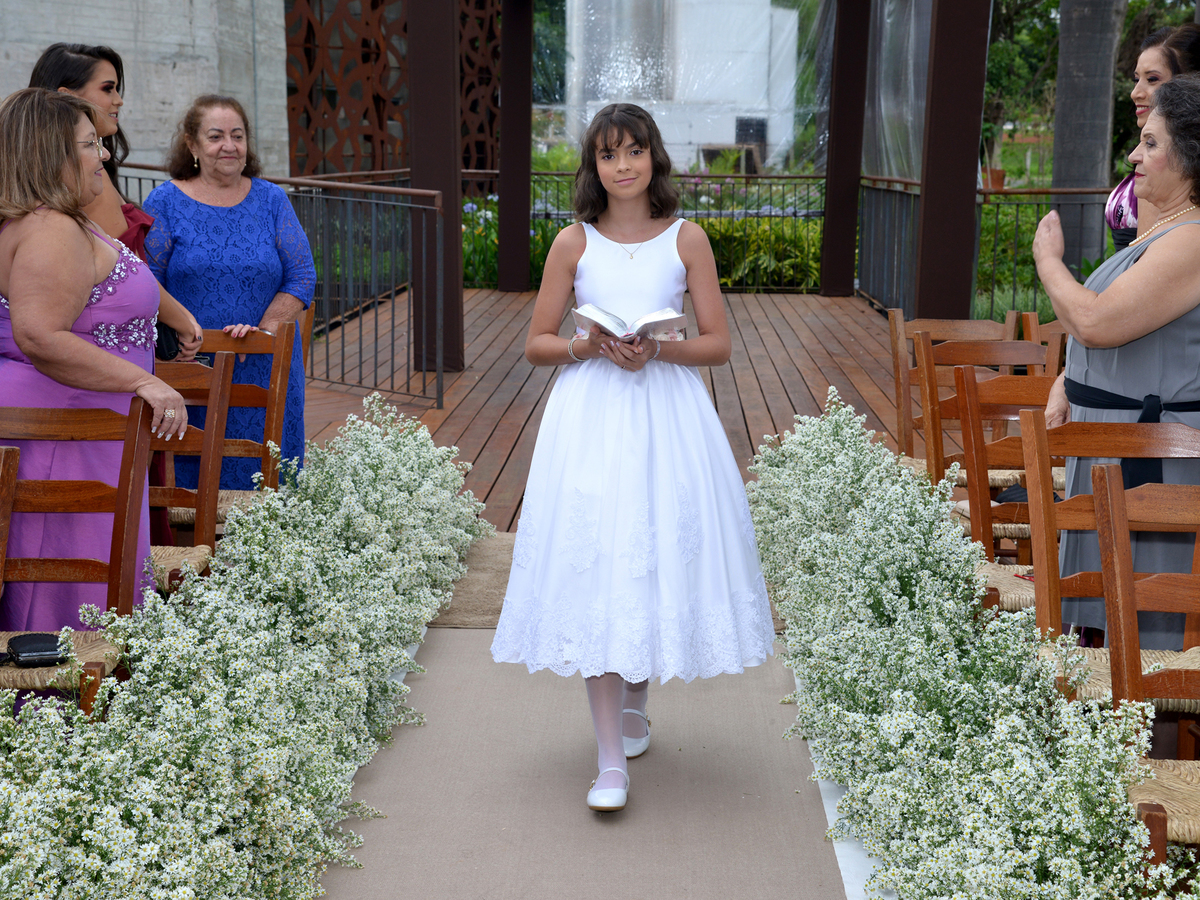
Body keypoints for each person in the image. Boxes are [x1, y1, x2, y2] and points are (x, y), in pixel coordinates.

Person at [490, 103, 776, 812]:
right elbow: (536, 343)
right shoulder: (572, 243)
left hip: (666, 413)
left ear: (654, 158)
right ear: (593, 165)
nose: (623, 166)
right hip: (591, 417)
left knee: (657, 555)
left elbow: (718, 342)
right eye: (609, 154)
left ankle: (637, 701)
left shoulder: (688, 239)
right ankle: (609, 761)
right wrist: (585, 346)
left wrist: (659, 350)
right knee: (603, 563)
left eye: (635, 151)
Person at [0, 88, 187, 631]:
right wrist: (145, 382)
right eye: (90, 144)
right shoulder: (50, 229)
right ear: (50, 152)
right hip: (61, 434)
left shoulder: (58, 220)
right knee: (60, 596)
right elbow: (39, 334)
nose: (104, 154)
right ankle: (53, 709)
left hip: (80, 429)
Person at [1033, 75, 1200, 651]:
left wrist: (1048, 262)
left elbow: (1097, 323)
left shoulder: (1195, 238)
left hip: (1154, 458)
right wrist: (1065, 381)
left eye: (1152, 143)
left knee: (1149, 623)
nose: (1134, 154)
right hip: (1113, 445)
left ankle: (1139, 733)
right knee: (1109, 617)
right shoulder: (1170, 230)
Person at [143, 95, 316, 490]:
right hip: (195, 363)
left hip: (265, 362)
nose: (229, 145)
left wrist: (265, 331)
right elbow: (146, 280)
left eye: (237, 136)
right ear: (192, 145)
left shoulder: (272, 199)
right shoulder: (165, 202)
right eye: (216, 135)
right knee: (198, 478)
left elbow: (301, 275)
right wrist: (178, 332)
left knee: (270, 477)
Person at [29, 43, 202, 359]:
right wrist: (183, 320)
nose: (118, 100)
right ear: (67, 95)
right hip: (102, 352)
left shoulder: (45, 174)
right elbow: (123, 268)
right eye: (108, 89)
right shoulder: (85, 181)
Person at [1107, 25, 1200, 251]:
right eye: (1137, 79)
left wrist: (1048, 261)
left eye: (1152, 79)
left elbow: (1144, 256)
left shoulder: (1165, 163)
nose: (1135, 92)